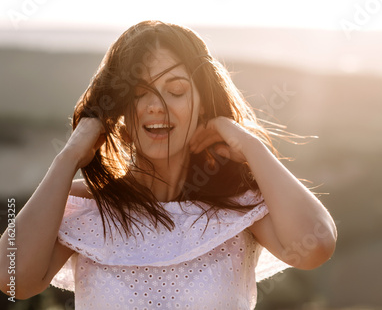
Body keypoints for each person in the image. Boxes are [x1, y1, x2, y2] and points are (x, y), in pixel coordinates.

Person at [0, 20, 337, 309]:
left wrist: (251, 146)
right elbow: (12, 278)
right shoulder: (86, 207)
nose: (155, 106)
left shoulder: (239, 204)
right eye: (137, 92)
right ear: (117, 111)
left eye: (175, 90)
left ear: (203, 104)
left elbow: (316, 244)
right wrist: (67, 159)